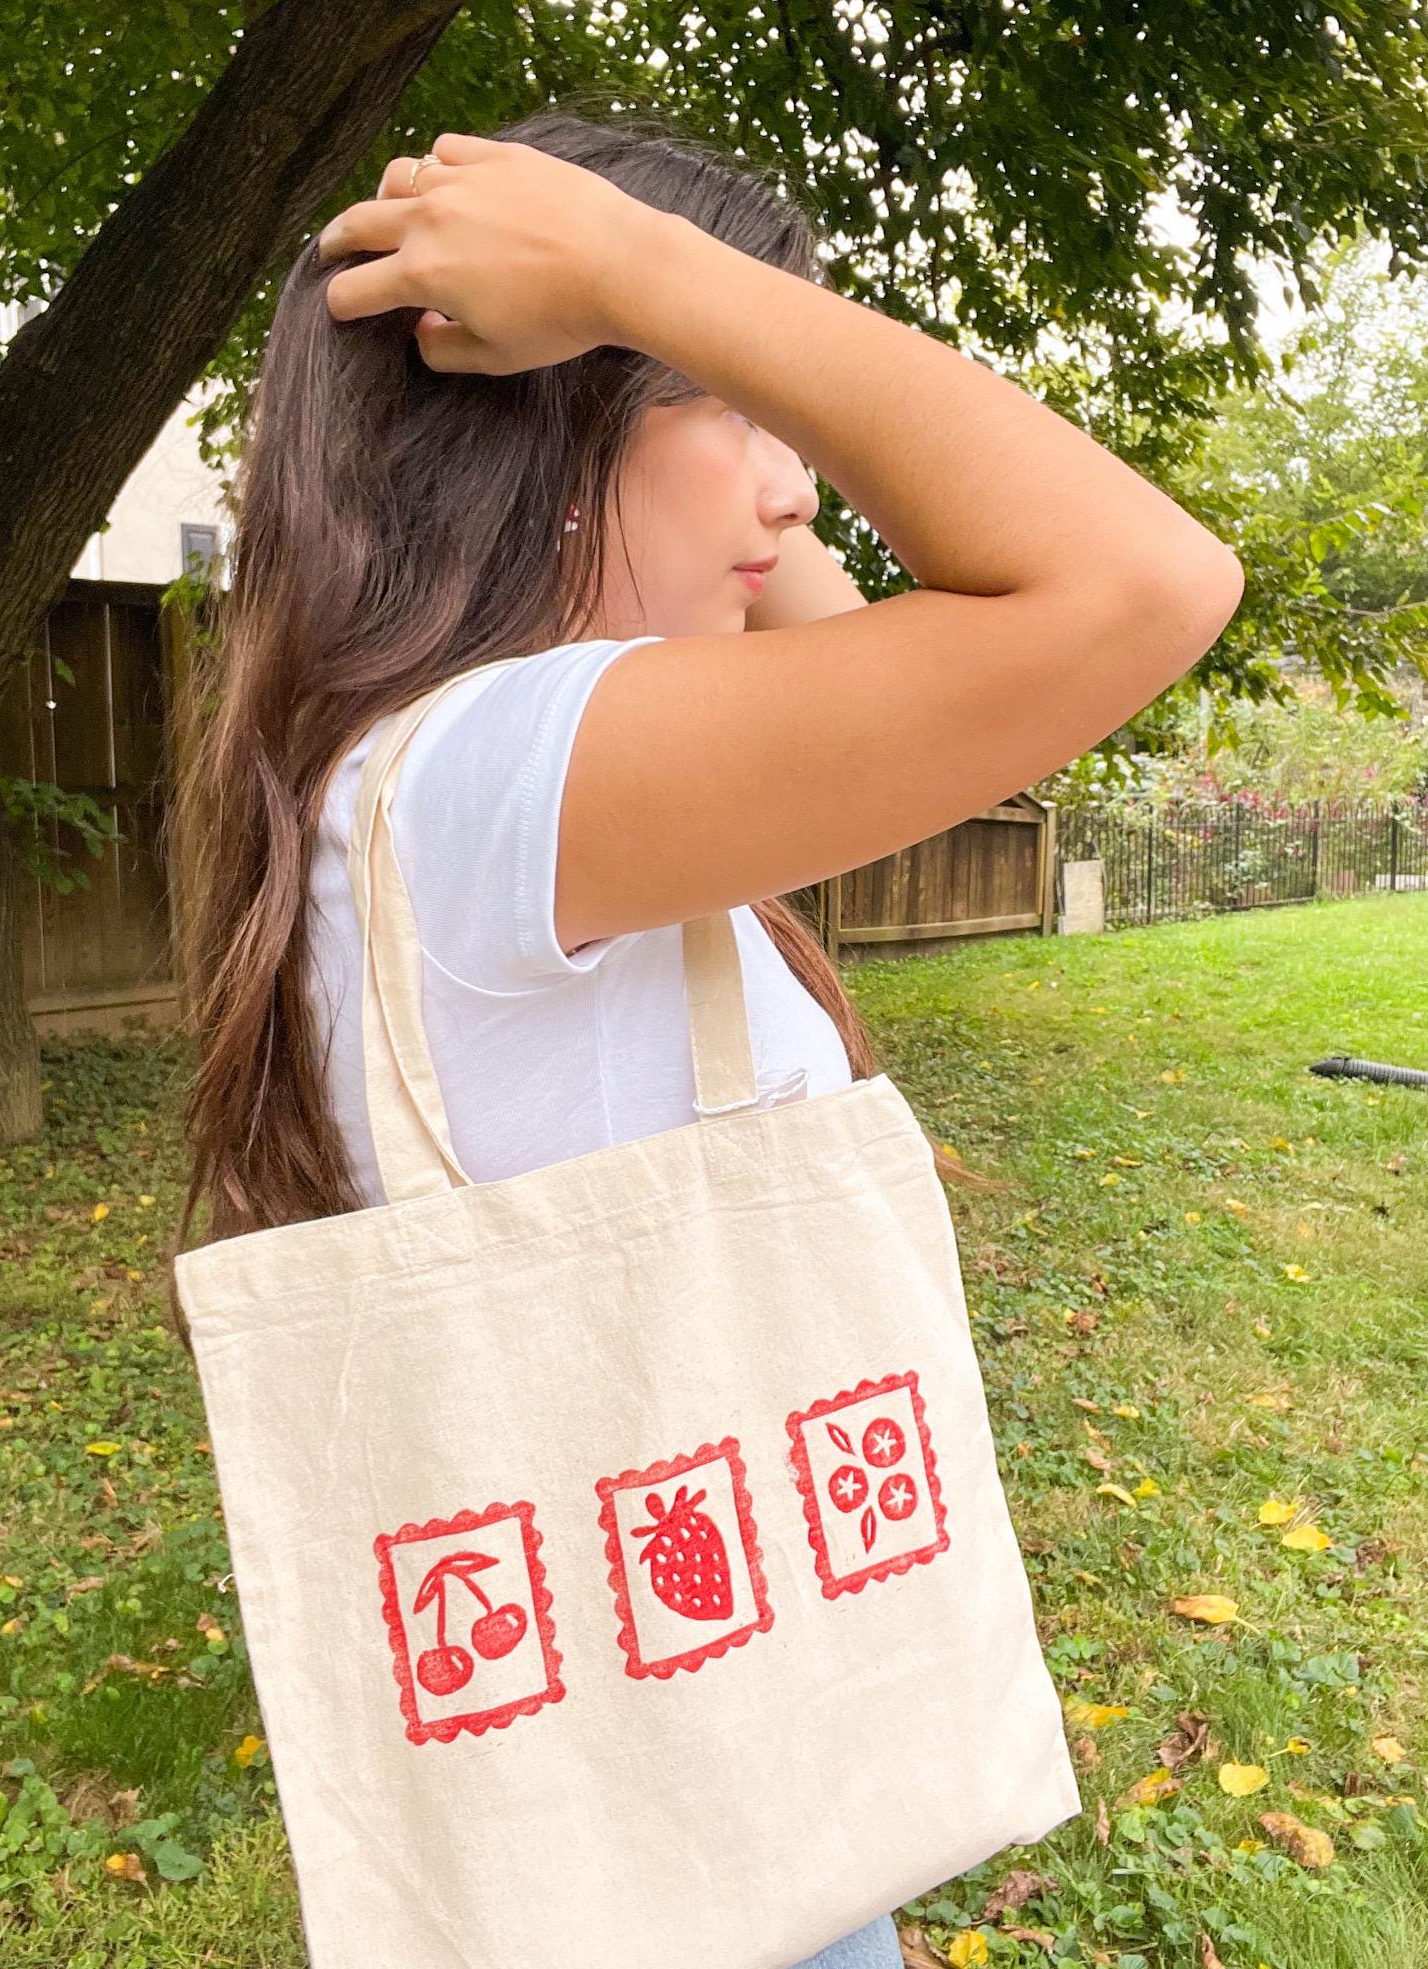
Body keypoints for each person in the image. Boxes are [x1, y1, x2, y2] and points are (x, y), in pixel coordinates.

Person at [171, 97, 1243, 1968]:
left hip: (718, 1794)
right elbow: (1145, 585)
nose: (797, 484)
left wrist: (662, 327)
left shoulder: (464, 768)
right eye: (731, 406)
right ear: (558, 431)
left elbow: (868, 592)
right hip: (696, 1851)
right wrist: (642, 272)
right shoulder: (512, 769)